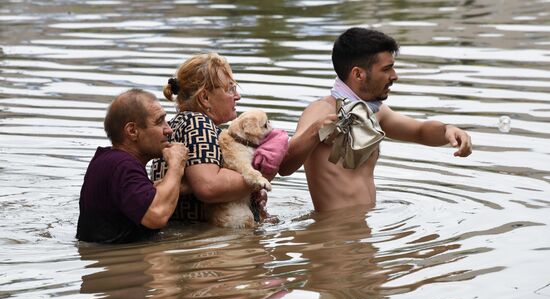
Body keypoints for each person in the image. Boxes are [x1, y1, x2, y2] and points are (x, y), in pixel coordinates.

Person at [279, 27, 472, 212]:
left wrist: (448, 130)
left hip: (366, 231)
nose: (394, 76)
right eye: (387, 69)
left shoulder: (376, 112)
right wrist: (316, 131)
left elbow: (419, 131)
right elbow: (284, 166)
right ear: (358, 74)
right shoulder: (321, 110)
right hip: (334, 236)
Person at [151, 53, 283, 223]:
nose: (237, 96)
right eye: (230, 89)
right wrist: (263, 176)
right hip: (202, 240)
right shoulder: (199, 123)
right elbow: (209, 187)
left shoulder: (176, 124)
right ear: (205, 98)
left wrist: (249, 194)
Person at [76, 89, 189, 243]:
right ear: (132, 131)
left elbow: (137, 193)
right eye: (159, 122)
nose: (168, 129)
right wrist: (177, 165)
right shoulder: (123, 166)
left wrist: (187, 187)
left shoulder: (109, 160)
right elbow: (157, 215)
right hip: (119, 262)